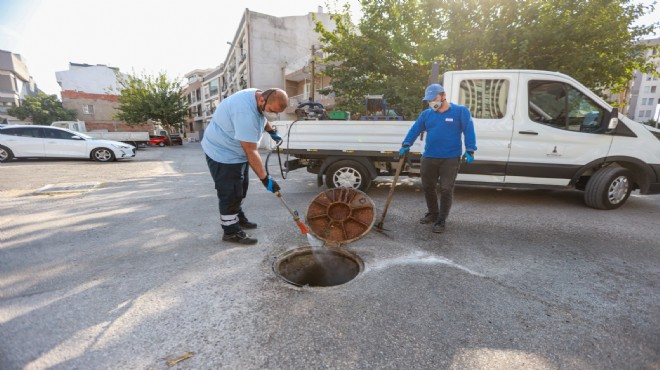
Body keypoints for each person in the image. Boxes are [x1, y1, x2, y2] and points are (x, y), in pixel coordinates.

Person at [202, 88, 287, 245]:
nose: (272, 115)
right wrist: (265, 179)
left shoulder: (258, 96)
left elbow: (263, 117)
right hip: (222, 153)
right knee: (230, 192)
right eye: (271, 111)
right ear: (262, 100)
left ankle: (237, 218)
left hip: (237, 153)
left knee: (241, 188)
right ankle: (230, 231)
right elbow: (251, 151)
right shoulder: (244, 113)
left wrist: (271, 131)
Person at [399, 83, 477, 233]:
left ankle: (441, 220)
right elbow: (415, 129)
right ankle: (433, 213)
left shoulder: (460, 111)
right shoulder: (426, 114)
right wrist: (406, 143)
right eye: (429, 100)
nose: (432, 102)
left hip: (450, 158)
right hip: (429, 157)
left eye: (434, 98)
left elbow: (469, 130)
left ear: (443, 95)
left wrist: (470, 149)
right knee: (428, 187)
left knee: (446, 189)